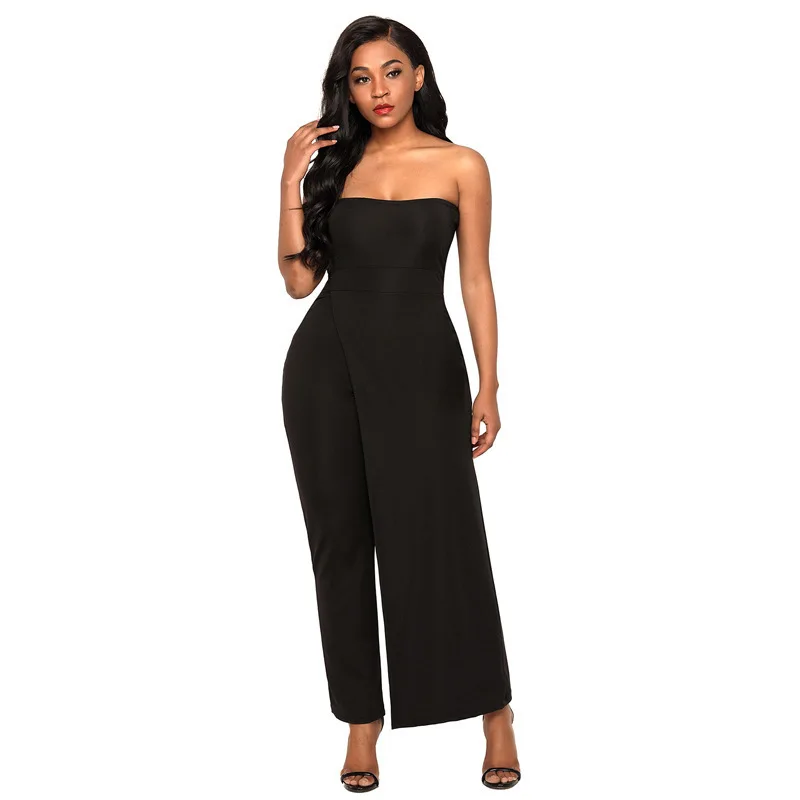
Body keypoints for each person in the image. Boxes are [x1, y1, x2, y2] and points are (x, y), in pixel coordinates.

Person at [279, 16, 521, 792]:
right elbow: (298, 282)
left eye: (391, 72)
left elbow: (475, 279)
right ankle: (361, 724)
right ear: (346, 90)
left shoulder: (461, 165)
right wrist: (289, 183)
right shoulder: (335, 167)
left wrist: (489, 383)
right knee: (340, 547)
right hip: (325, 371)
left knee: (444, 539)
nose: (377, 90)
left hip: (423, 372)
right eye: (360, 78)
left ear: (419, 75)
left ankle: (494, 711)